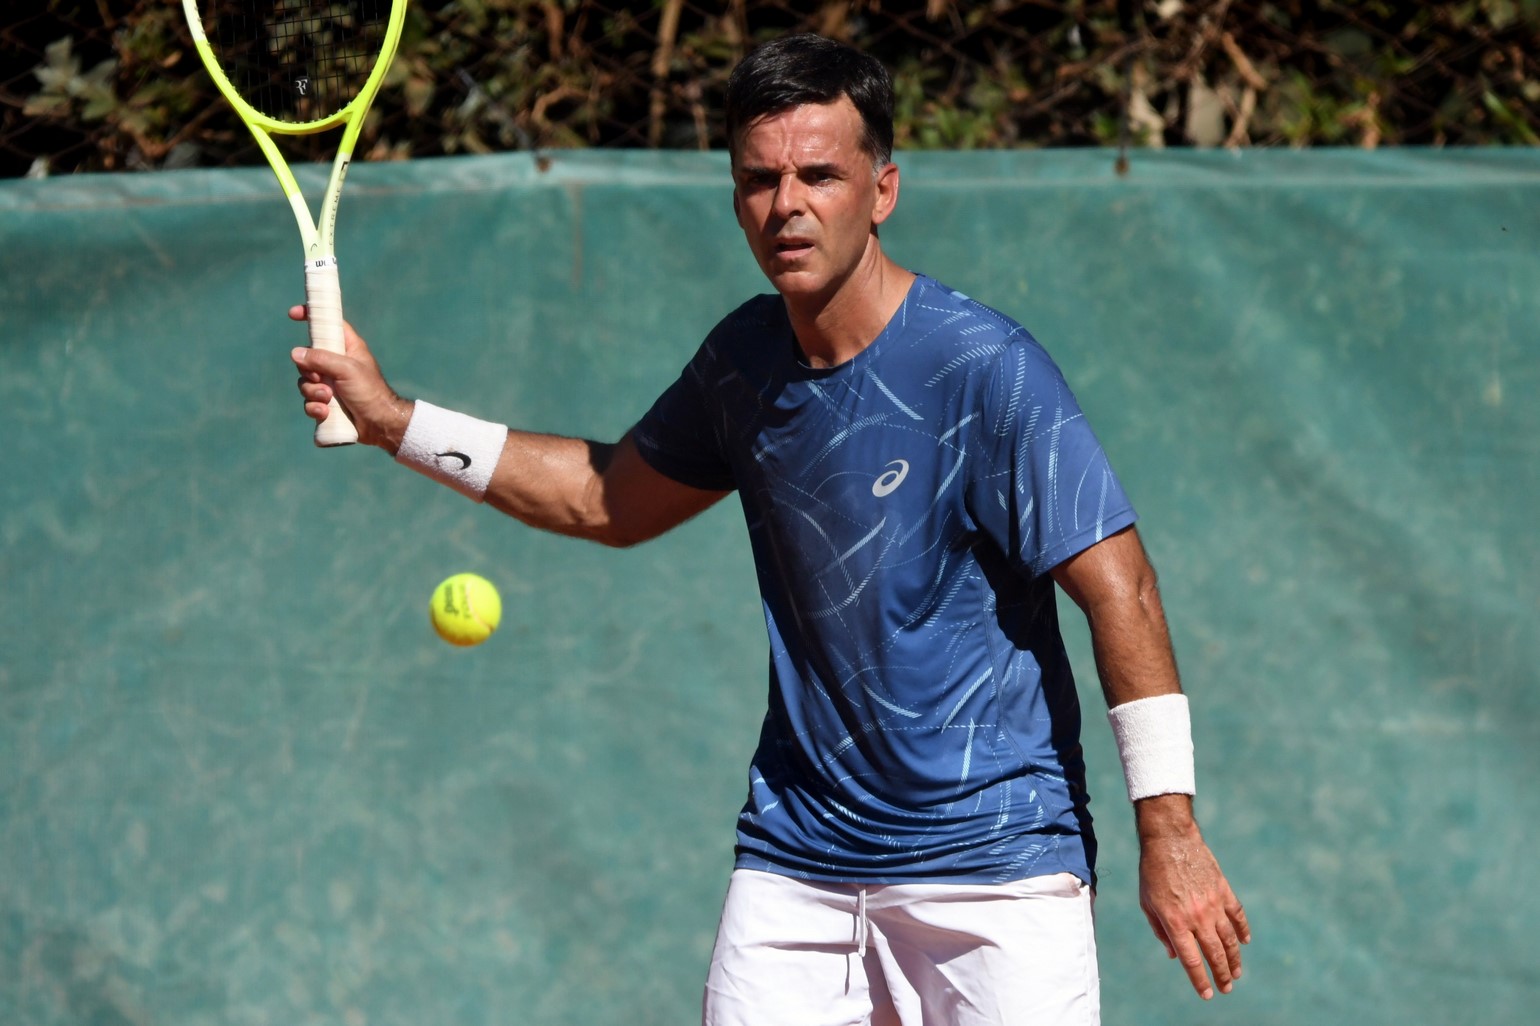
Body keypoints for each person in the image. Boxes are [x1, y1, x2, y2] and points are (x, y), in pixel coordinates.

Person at [290, 32, 1249, 1026]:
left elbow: (1123, 590)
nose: (786, 204)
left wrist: (1169, 832)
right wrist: (395, 423)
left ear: (881, 190)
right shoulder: (742, 362)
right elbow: (607, 498)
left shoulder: (983, 368)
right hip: (797, 863)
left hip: (994, 867)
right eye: (759, 180)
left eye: (819, 176)